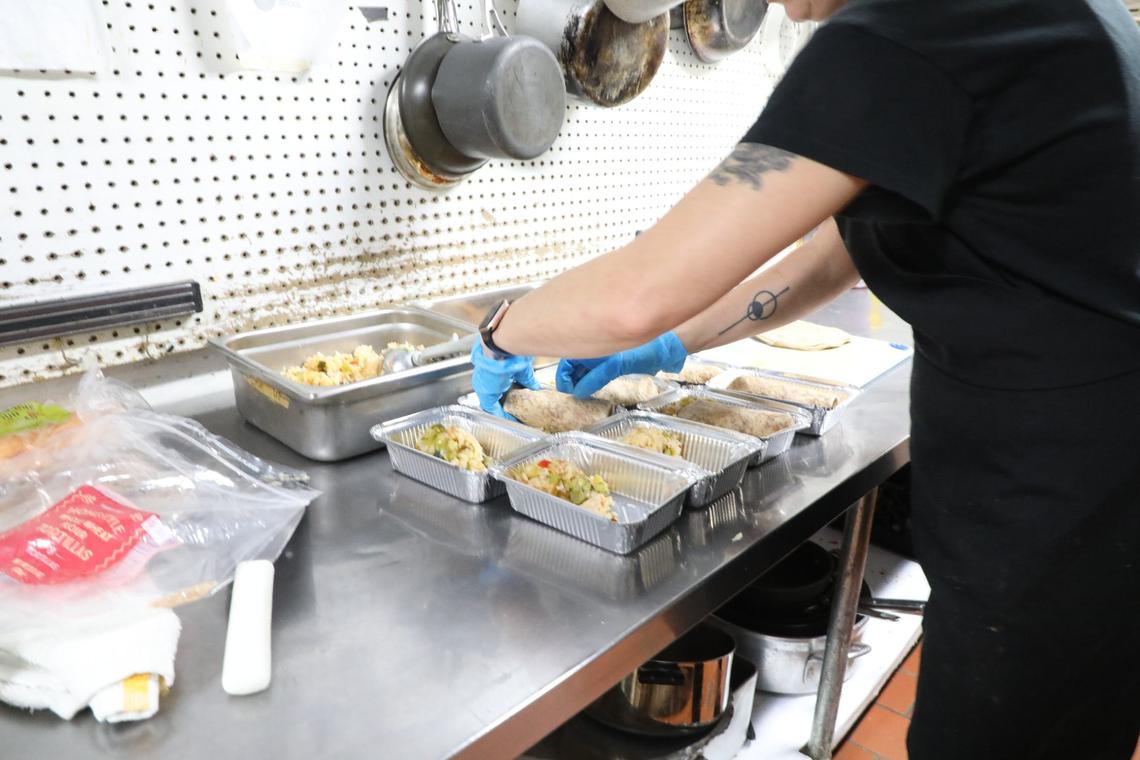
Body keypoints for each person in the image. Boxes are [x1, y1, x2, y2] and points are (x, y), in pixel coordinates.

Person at [470, 0, 1140, 757]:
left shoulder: (902, 29)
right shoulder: (1028, 13)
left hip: (1052, 498)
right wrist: (673, 343)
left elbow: (636, 294)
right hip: (1093, 485)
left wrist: (503, 330)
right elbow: (836, 252)